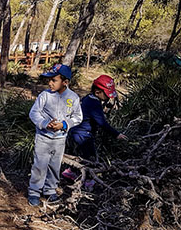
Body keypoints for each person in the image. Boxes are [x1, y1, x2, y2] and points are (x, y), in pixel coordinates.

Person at [28, 64, 82, 206]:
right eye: (49, 80)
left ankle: (50, 190)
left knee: (54, 165)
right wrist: (45, 123)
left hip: (59, 140)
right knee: (39, 165)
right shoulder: (45, 95)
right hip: (43, 138)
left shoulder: (73, 98)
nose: (50, 83)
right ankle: (34, 192)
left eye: (54, 80)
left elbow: (78, 117)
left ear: (65, 82)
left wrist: (64, 124)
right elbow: (34, 113)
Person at [63, 75, 128, 184]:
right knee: (90, 159)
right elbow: (102, 123)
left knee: (81, 156)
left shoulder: (88, 98)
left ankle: (71, 172)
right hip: (84, 136)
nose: (108, 98)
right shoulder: (94, 104)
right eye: (106, 95)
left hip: (75, 132)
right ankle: (88, 181)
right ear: (97, 92)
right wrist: (117, 134)